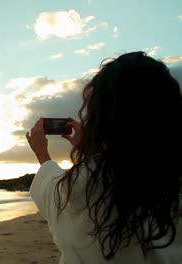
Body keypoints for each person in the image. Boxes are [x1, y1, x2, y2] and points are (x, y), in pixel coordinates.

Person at [26, 51, 182, 263]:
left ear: (104, 116)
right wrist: (86, 150)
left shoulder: (94, 182)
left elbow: (58, 201)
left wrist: (42, 154)